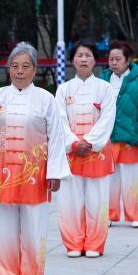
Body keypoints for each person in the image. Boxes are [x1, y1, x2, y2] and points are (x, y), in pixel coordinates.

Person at [0, 42, 69, 275]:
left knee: (34, 229)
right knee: (2, 232)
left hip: (35, 176)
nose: (20, 71)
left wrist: (54, 172)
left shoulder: (45, 99)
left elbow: (56, 136)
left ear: (34, 69)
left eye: (26, 66)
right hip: (0, 177)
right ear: (8, 69)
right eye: (15, 66)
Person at [55, 41, 117, 258]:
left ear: (95, 60)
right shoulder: (63, 90)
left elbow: (107, 118)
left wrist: (90, 143)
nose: (83, 59)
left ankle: (94, 244)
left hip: (96, 153)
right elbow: (59, 122)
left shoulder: (105, 88)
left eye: (88, 55)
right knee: (69, 201)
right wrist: (73, 143)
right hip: (71, 154)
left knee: (96, 200)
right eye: (79, 55)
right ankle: (73, 243)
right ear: (72, 60)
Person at [100, 41, 138, 228]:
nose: (113, 63)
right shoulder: (103, 79)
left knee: (132, 179)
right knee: (109, 180)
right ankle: (110, 215)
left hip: (131, 138)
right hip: (108, 138)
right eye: (111, 59)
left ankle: (135, 215)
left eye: (118, 59)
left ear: (127, 60)